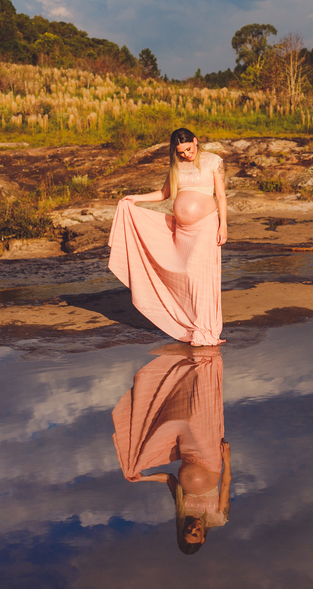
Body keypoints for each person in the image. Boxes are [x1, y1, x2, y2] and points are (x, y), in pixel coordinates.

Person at [108, 127, 227, 346]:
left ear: (196, 141)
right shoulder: (177, 166)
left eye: (189, 149)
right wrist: (135, 199)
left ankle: (204, 327)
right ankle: (189, 324)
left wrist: (223, 225)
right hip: (182, 231)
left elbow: (220, 195)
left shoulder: (213, 161)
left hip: (205, 227)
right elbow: (165, 194)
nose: (186, 155)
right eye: (181, 152)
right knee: (182, 275)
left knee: (196, 275)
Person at [112, 349, 231, 554]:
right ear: (202, 539)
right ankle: (206, 365)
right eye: (195, 533)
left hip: (188, 454)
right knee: (200, 413)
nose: (192, 528)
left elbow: (169, 480)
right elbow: (226, 484)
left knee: (182, 414)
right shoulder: (218, 518)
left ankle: (190, 368)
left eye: (187, 530)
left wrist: (142, 478)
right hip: (210, 459)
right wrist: (227, 459)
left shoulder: (182, 512)